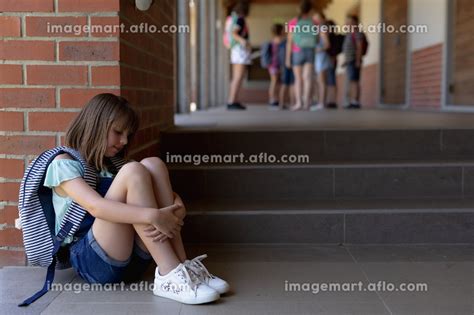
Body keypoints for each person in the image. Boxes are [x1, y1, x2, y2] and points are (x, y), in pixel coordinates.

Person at [43, 93, 229, 304]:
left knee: (153, 164)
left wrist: (177, 205)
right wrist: (153, 216)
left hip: (133, 259)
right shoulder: (64, 163)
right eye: (118, 132)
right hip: (93, 261)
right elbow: (96, 207)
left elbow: (158, 194)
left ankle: (183, 268)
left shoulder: (113, 164)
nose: (124, 141)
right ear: (95, 125)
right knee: (134, 171)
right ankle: (169, 275)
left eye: (128, 135)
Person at [285, 0, 316, 111]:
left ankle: (298, 103)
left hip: (297, 51)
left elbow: (289, 41)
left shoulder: (293, 22)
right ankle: (307, 103)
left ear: (299, 9)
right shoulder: (314, 21)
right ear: (310, 10)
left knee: (298, 79)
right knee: (308, 78)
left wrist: (288, 59)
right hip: (310, 50)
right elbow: (317, 38)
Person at [226, 1, 251, 110]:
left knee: (236, 77)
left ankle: (233, 100)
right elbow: (234, 33)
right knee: (238, 77)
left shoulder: (233, 18)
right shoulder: (240, 19)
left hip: (235, 49)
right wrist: (244, 42)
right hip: (240, 50)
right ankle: (232, 101)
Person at [342, 14, 364, 109]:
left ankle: (355, 101)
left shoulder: (357, 33)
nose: (347, 24)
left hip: (354, 60)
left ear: (355, 23)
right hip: (349, 61)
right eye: (347, 22)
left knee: (354, 81)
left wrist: (358, 60)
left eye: (350, 22)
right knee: (351, 81)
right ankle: (351, 101)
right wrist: (345, 61)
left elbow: (359, 48)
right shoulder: (349, 34)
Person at [311, 12, 331, 111]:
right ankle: (320, 102)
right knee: (319, 81)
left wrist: (317, 50)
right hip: (319, 58)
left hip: (321, 57)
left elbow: (327, 45)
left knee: (322, 81)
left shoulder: (322, 29)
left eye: (317, 18)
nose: (315, 21)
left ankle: (322, 103)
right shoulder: (318, 29)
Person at [267, 23, 285, 109]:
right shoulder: (281, 40)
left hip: (271, 64)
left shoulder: (272, 40)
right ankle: (274, 99)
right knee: (276, 82)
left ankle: (273, 99)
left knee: (273, 82)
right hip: (277, 64)